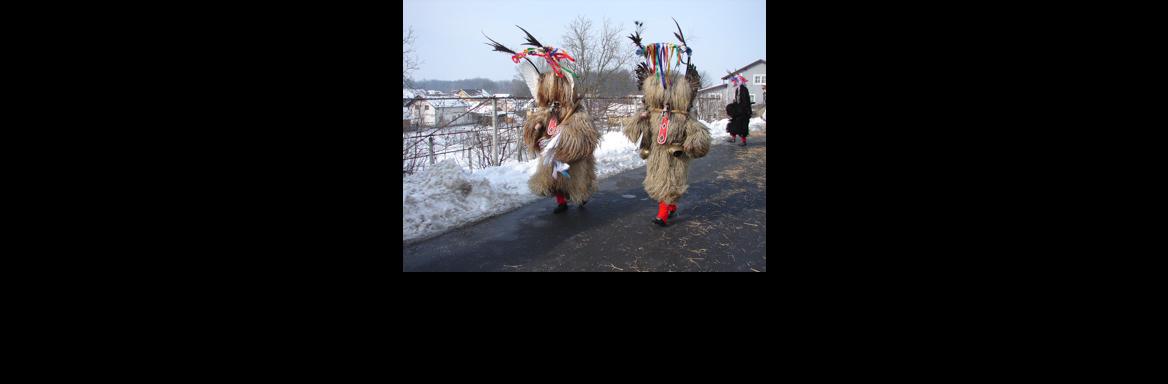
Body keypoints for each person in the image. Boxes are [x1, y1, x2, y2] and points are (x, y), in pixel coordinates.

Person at [485, 27, 599, 214]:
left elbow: (584, 134)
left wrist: (567, 135)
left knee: (576, 178)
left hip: (571, 156)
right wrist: (537, 127)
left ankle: (581, 196)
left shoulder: (576, 111)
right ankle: (561, 202)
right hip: (553, 154)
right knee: (553, 177)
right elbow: (538, 123)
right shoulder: (549, 109)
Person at [622, 20, 712, 226]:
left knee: (672, 184)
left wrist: (692, 142)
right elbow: (636, 130)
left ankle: (662, 214)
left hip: (676, 155)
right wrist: (641, 119)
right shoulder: (652, 112)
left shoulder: (682, 115)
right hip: (657, 154)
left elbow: (698, 132)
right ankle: (669, 207)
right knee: (660, 183)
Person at [725, 74, 752, 146]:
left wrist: (738, 108)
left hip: (744, 111)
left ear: (739, 81)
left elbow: (745, 102)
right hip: (739, 110)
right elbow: (738, 101)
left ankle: (744, 141)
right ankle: (733, 138)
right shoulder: (738, 89)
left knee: (742, 126)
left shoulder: (743, 89)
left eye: (735, 82)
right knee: (733, 124)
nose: (734, 83)